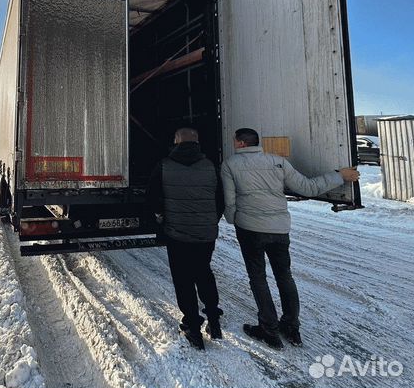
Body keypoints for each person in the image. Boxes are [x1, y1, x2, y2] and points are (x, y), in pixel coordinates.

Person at [221, 127, 360, 349]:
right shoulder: (278, 162)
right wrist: (340, 175)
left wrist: (232, 220)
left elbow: (230, 201)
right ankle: (291, 327)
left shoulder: (230, 165)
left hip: (250, 229)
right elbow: (308, 187)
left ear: (239, 143)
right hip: (279, 229)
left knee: (258, 278)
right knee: (285, 277)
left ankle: (269, 330)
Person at [148, 127, 223, 350]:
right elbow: (220, 199)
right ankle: (214, 319)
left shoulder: (164, 166)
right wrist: (211, 221)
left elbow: (153, 197)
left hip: (177, 234)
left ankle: (193, 327)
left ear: (176, 142)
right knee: (204, 272)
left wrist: (161, 218)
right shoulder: (210, 166)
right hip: (206, 234)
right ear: (198, 142)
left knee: (184, 280)